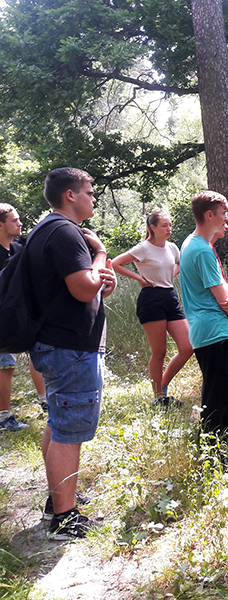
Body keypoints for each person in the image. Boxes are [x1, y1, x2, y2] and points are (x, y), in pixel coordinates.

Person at [26, 168, 117, 539]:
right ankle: (65, 517)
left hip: (58, 343)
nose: (94, 197)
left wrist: (100, 281)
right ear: (70, 195)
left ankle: (57, 503)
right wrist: (100, 253)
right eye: (90, 192)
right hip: (69, 347)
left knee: (59, 421)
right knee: (68, 430)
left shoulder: (45, 230)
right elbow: (82, 289)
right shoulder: (66, 232)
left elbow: (79, 288)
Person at [180, 191, 228, 453]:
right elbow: (225, 300)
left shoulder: (194, 244)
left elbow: (224, 288)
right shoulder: (201, 250)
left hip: (209, 330)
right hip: (213, 330)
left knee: (223, 391)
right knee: (216, 396)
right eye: (223, 213)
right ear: (209, 215)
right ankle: (210, 453)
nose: (227, 218)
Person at [111, 211, 193, 406]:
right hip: (151, 299)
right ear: (153, 227)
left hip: (170, 296)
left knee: (188, 346)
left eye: (170, 225)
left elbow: (180, 264)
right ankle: (159, 398)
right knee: (160, 351)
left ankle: (162, 385)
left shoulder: (172, 247)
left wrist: (169, 276)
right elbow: (115, 263)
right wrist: (140, 279)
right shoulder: (143, 248)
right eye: (164, 225)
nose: (169, 229)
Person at [0, 203, 46, 431]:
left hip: (23, 315)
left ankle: (46, 401)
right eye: (14, 220)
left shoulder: (20, 248)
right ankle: (4, 417)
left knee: (38, 353)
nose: (20, 223)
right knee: (5, 365)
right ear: (0, 225)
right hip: (2, 317)